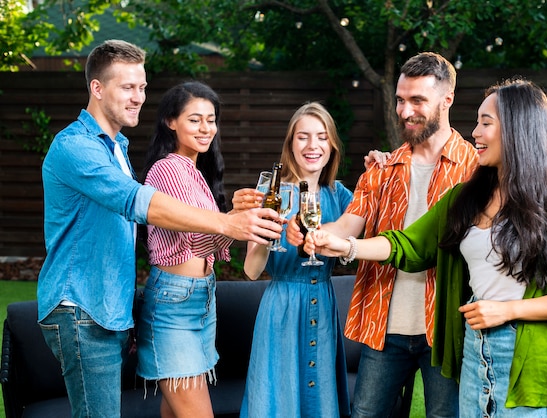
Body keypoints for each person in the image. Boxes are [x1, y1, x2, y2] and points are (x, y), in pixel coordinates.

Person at [308, 78, 547, 417]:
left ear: (518, 130)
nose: (475, 132)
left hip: (528, 359)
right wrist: (345, 245)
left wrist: (506, 311)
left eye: (486, 123)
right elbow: (408, 245)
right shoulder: (465, 199)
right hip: (474, 351)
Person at [37, 40, 281, 418]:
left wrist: (232, 216)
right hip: (81, 307)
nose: (138, 97)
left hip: (110, 309)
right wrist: (228, 221)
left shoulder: (115, 148)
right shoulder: (75, 147)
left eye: (143, 87)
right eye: (127, 87)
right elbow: (141, 204)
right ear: (97, 88)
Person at [287, 51, 477, 417]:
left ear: (447, 99)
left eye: (417, 100)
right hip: (384, 326)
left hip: (448, 327)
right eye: (401, 101)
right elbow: (346, 227)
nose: (405, 112)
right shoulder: (381, 169)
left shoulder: (476, 171)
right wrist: (312, 233)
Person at [232, 102, 353, 417]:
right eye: (303, 137)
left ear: (332, 146)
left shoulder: (339, 195)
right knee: (277, 399)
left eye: (322, 137)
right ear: (290, 144)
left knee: (320, 402)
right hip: (282, 309)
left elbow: (358, 245)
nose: (313, 146)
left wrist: (382, 161)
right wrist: (266, 236)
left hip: (324, 308)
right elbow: (251, 270)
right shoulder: (269, 192)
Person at [134, 81, 232, 418]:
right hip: (173, 304)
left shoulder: (195, 172)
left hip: (201, 299)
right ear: (170, 121)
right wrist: (235, 222)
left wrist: (237, 218)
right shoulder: (167, 168)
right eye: (194, 119)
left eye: (211, 119)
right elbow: (193, 231)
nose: (206, 128)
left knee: (175, 413)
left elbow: (210, 243)